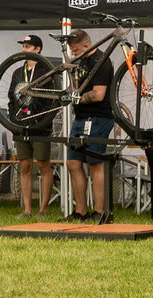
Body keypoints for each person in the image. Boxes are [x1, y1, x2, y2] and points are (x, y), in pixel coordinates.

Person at [64, 28, 114, 223]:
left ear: (87, 44)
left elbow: (99, 94)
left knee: (95, 165)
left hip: (99, 117)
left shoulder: (101, 61)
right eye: (71, 51)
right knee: (73, 163)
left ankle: (99, 211)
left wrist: (74, 98)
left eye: (76, 50)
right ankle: (80, 212)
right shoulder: (82, 61)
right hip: (80, 119)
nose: (74, 54)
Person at [7, 33, 56, 217]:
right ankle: (27, 209)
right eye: (23, 46)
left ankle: (43, 209)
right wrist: (13, 120)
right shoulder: (17, 72)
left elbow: (53, 100)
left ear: (37, 49)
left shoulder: (46, 71)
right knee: (25, 165)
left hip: (40, 125)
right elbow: (11, 99)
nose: (24, 49)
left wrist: (45, 120)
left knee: (43, 165)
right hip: (21, 125)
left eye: (27, 46)